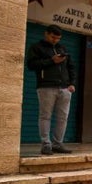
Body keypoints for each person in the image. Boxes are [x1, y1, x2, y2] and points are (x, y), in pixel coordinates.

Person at [26, 24, 76, 155]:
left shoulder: (62, 48)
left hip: (65, 88)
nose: (55, 40)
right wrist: (51, 61)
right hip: (46, 86)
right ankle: (46, 145)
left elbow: (71, 67)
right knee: (45, 116)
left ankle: (58, 144)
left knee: (63, 117)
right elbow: (31, 65)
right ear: (46, 34)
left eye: (58, 38)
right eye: (53, 37)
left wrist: (72, 84)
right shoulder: (36, 47)